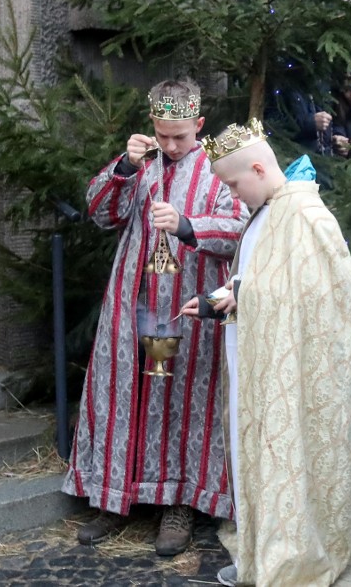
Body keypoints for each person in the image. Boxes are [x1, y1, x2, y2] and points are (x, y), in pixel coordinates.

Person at [184, 119, 351, 586]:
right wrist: (219, 301)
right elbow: (260, 279)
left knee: (285, 456)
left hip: (290, 371)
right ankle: (260, 548)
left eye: (234, 184)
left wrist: (246, 293)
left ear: (259, 168)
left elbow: (323, 288)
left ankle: (288, 554)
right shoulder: (268, 210)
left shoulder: (304, 212)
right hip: (256, 357)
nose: (234, 195)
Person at [62, 78, 247, 555]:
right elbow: (101, 211)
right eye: (163, 134)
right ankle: (114, 497)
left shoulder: (218, 170)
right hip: (134, 304)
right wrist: (124, 166)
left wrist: (189, 226)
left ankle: (179, 504)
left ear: (199, 125)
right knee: (127, 389)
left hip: (186, 308)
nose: (169, 144)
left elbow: (244, 227)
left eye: (180, 136)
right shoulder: (140, 164)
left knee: (179, 398)